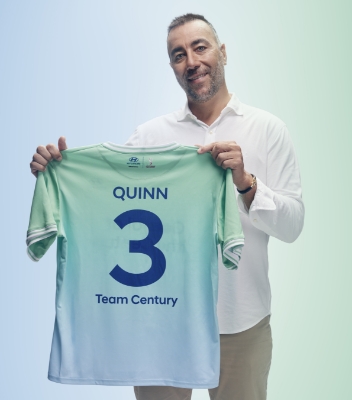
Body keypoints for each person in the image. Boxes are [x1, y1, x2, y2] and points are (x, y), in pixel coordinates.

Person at [29, 13, 304, 400]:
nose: (191, 61)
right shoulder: (149, 137)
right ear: (172, 67)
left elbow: (293, 226)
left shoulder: (268, 129)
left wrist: (246, 182)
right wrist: (59, 174)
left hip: (242, 323)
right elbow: (108, 202)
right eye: (178, 54)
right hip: (161, 322)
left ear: (223, 53)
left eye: (200, 47)